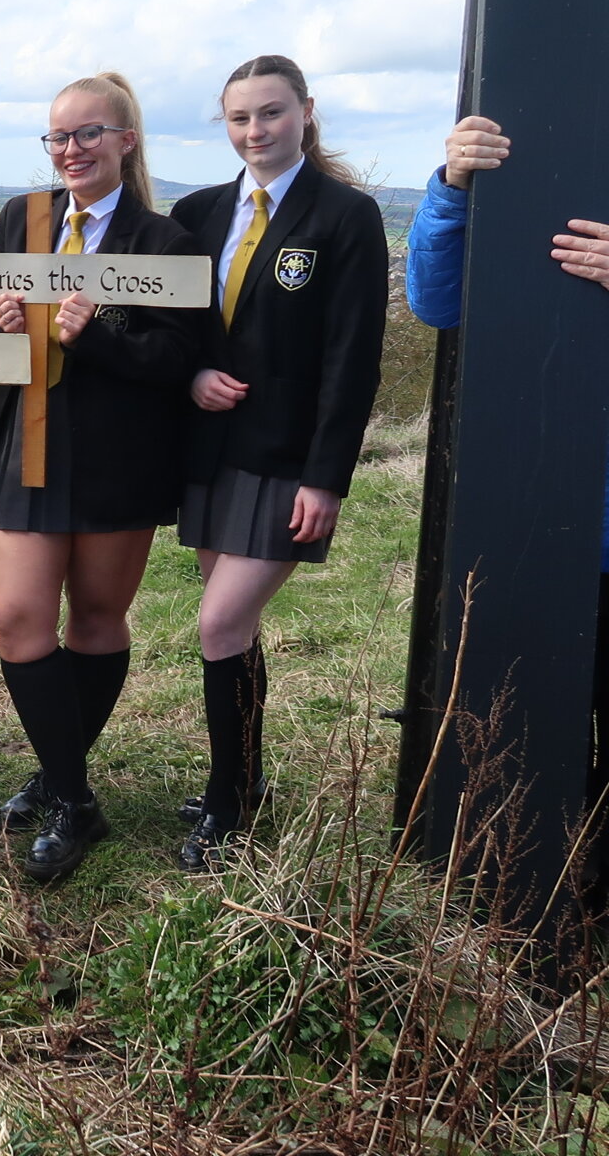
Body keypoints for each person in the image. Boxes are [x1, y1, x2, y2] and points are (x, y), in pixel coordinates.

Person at [0, 72, 198, 881]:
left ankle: (57, 776)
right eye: (58, 138)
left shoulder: (163, 244)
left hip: (117, 457)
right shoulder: (19, 219)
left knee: (97, 618)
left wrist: (94, 333)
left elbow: (176, 361)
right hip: (23, 448)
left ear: (126, 141)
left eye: (88, 134)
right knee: (16, 617)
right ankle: (76, 800)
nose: (71, 150)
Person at [169, 56, 388, 872]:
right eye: (240, 118)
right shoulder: (196, 212)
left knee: (219, 623)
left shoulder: (346, 216)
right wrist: (190, 375)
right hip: (211, 454)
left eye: (271, 113)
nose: (255, 131)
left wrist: (327, 477)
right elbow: (179, 333)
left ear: (305, 112)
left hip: (288, 461)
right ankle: (250, 777)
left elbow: (352, 358)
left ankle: (227, 806)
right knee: (236, 625)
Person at [406, 111, 609, 893]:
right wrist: (453, 186)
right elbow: (437, 300)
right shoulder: (540, 153)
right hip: (537, 511)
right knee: (535, 722)